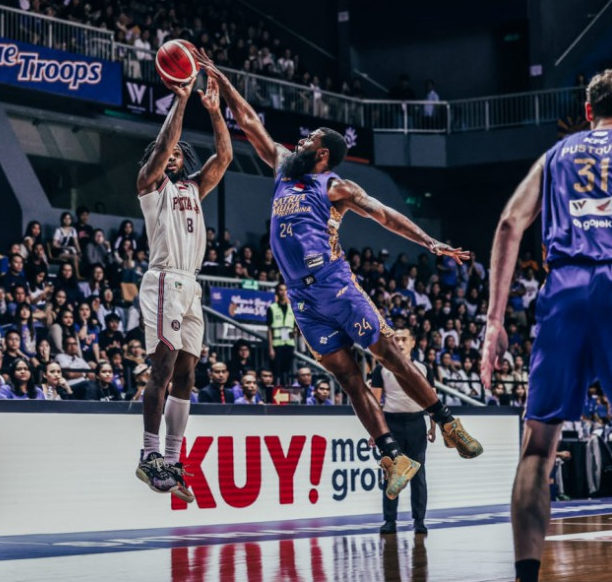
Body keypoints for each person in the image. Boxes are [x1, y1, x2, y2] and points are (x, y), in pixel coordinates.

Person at [199, 51, 482, 502]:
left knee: (390, 354)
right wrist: (223, 81)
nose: (299, 142)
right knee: (348, 378)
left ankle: (447, 421)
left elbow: (385, 215)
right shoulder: (280, 168)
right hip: (301, 297)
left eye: (308, 139)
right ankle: (392, 456)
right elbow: (250, 121)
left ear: (322, 152)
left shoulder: (333, 186)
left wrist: (429, 242)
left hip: (334, 282)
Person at [480, 69, 612, 582]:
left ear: (588, 111)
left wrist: (493, 322)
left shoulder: (555, 155)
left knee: (538, 448)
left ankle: (527, 576)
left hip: (565, 286)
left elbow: (508, 223)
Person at [135, 71, 232, 503]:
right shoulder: (151, 186)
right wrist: (182, 99)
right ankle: (149, 454)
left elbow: (225, 156)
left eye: (177, 153)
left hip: (191, 284)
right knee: (164, 366)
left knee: (188, 372)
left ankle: (172, 459)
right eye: (166, 152)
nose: (171, 155)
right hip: (164, 280)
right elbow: (161, 146)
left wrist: (213, 113)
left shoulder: (194, 187)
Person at [370, 329, 436, 535]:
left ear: (413, 343)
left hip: (416, 423)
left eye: (403, 339)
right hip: (391, 424)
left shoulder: (423, 369)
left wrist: (433, 427)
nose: (399, 342)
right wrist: (374, 431)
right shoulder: (381, 369)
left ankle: (419, 520)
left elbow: (432, 399)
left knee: (418, 475)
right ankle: (389, 521)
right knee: (392, 474)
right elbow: (374, 402)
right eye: (396, 339)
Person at [266, 282, 296, 383]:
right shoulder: (272, 308)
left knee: (287, 372)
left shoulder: (292, 308)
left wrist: (294, 333)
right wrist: (270, 348)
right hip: (276, 345)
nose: (283, 292)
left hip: (289, 344)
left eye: (285, 290)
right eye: (281, 290)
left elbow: (297, 328)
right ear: (277, 292)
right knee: (277, 372)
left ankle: (286, 392)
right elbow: (270, 329)